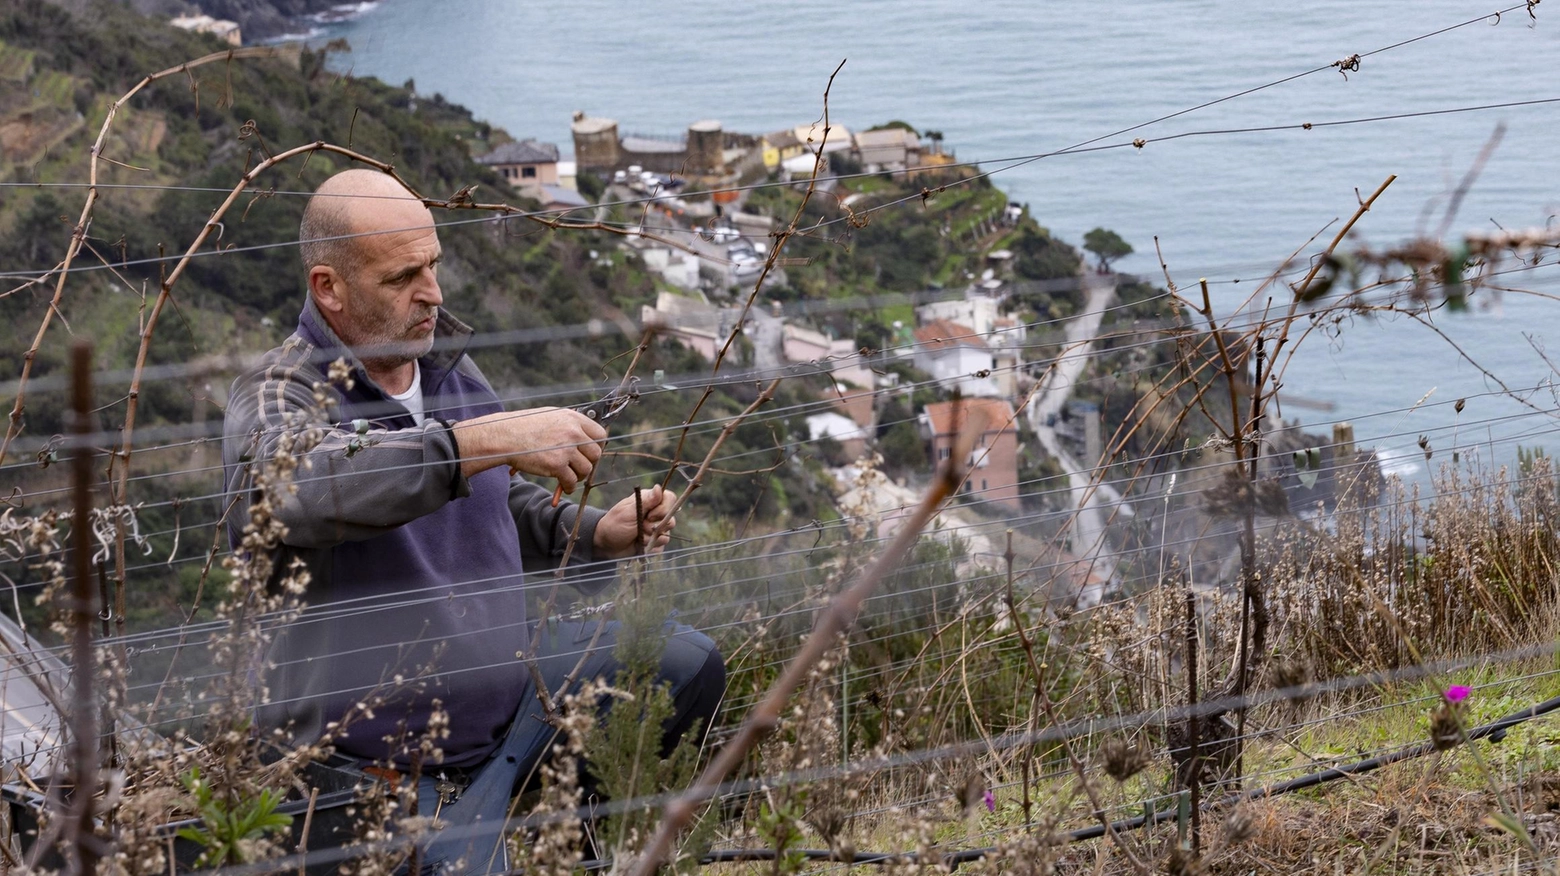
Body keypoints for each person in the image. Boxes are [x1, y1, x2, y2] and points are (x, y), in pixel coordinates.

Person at [221, 169, 725, 873]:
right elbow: (295, 486)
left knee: (685, 663)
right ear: (328, 288)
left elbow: (487, 505)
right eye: (402, 277)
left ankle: (584, 849)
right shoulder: (281, 392)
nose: (432, 293)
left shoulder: (448, 370)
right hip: (377, 767)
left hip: (513, 702)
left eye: (433, 265)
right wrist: (478, 442)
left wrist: (595, 533)